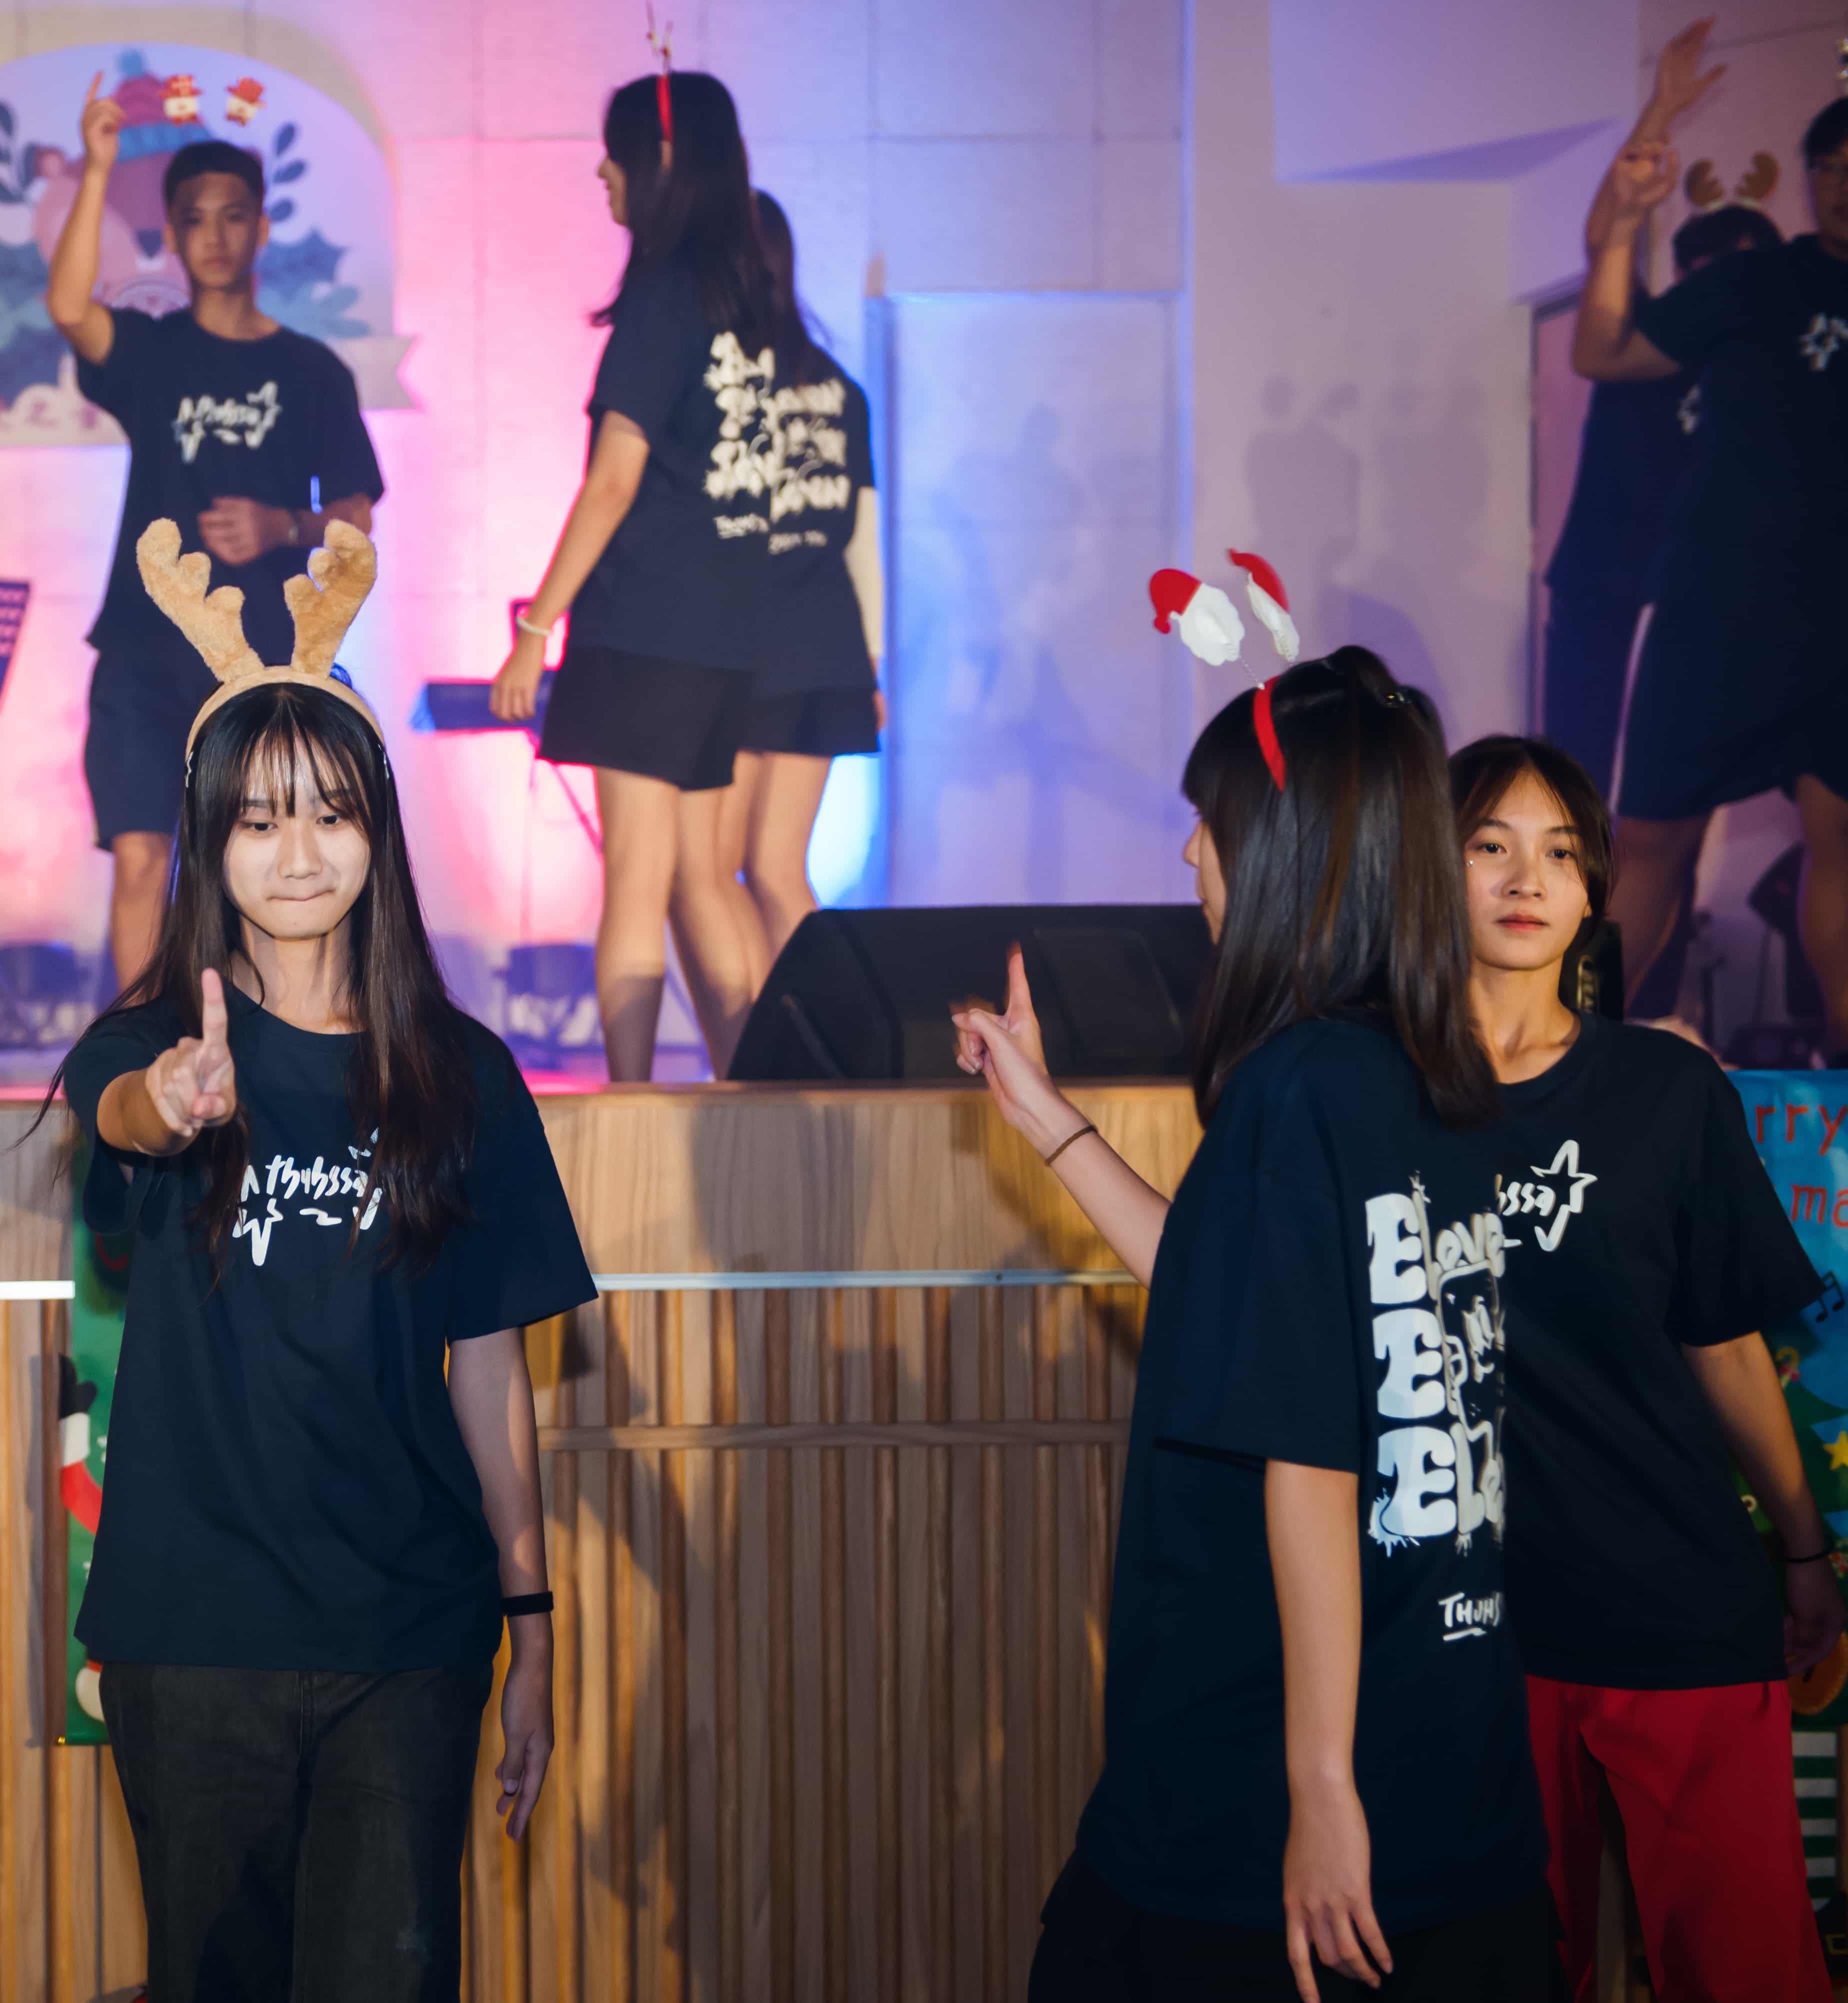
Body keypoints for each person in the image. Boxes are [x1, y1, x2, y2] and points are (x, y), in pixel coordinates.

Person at [955, 653, 1556, 2000]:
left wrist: (1320, 1786)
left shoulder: (1293, 1087)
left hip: (1257, 1786)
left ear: (1288, 851)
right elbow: (1245, 1301)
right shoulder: (1418, 1069)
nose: (1189, 851)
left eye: (1210, 820)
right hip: (1446, 1753)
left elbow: (1312, 1457)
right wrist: (1046, 1118)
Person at [57, 518, 593, 2000]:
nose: (297, 854)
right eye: (257, 821)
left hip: (406, 1637)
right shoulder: (145, 1042)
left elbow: (488, 1365)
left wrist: (531, 1619)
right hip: (193, 1633)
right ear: (207, 841)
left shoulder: (465, 1076)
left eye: (331, 814)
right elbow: (119, 1116)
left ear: (378, 830)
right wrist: (166, 1101)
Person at [1449, 733, 1838, 2003]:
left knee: (1745, 1975)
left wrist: (1803, 1549)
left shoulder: (1666, 1089)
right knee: (1503, 1975)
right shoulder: (1378, 1098)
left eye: (1561, 853)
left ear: (1594, 891)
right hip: (1473, 1635)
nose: (1528, 879)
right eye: (1491, 845)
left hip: (1675, 1615)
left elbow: (1724, 1346)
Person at [490, 72, 793, 1081]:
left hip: (646, 628)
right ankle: (750, 1095)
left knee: (636, 878)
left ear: (660, 162)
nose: (602, 173)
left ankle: (630, 1107)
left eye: (616, 154)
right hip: (722, 637)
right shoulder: (745, 303)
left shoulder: (665, 297)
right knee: (702, 879)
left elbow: (613, 481)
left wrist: (536, 628)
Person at [46, 86, 384, 990]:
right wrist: (98, 168)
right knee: (140, 859)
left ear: (262, 228)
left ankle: (262, 1038)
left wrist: (286, 525)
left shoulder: (311, 369)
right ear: (171, 235)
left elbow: (356, 518)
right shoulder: (153, 354)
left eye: (234, 216)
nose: (216, 236)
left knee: (253, 866)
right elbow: (71, 307)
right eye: (194, 219)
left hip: (259, 658)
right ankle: (137, 1048)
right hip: (141, 649)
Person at [1573, 47, 1848, 1057]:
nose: (1845, 187)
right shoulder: (1753, 283)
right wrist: (1630, 211)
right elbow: (1602, 347)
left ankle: (1843, 1076)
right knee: (1649, 838)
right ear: (1809, 180)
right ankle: (1573, 1057)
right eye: (1832, 169)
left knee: (1841, 836)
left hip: (1841, 619)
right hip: (1718, 608)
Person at [1542, 190, 1780, 792]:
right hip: (1602, 586)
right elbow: (1602, 243)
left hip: (1697, 597)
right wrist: (1638, 161)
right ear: (1684, 276)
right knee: (1579, 769)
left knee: (1675, 784)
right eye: (1717, 278)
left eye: (1748, 280)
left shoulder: (1767, 364)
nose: (1729, 299)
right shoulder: (1640, 334)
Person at [722, 190, 884, 978]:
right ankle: (818, 1034)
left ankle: (762, 1039)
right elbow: (862, 542)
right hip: (831, 651)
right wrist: (872, 667)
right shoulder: (841, 390)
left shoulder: (727, 387)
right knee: (778, 870)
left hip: (752, 652)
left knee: (715, 873)